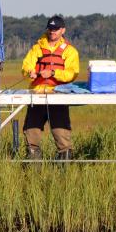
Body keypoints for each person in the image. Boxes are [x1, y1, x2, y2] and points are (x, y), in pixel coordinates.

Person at [20, 15, 80, 160]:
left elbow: (72, 73)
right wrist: (30, 72)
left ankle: (64, 167)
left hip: (59, 94)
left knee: (61, 133)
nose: (52, 31)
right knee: (32, 131)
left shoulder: (70, 51)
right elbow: (26, 66)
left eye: (56, 29)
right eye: (50, 28)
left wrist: (53, 73)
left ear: (63, 30)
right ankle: (33, 167)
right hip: (37, 94)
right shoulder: (37, 48)